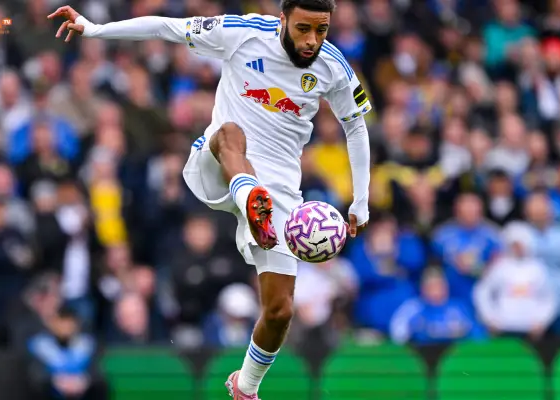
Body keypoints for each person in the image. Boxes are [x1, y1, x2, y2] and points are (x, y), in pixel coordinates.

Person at [48, 1, 372, 399]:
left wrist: (361, 200)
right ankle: (247, 192)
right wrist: (96, 30)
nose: (312, 40)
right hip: (218, 161)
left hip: (280, 194)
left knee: (280, 310)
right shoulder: (242, 32)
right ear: (283, 18)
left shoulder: (334, 67)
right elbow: (167, 27)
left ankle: (246, 387)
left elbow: (355, 127)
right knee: (230, 131)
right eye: (303, 28)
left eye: (321, 30)